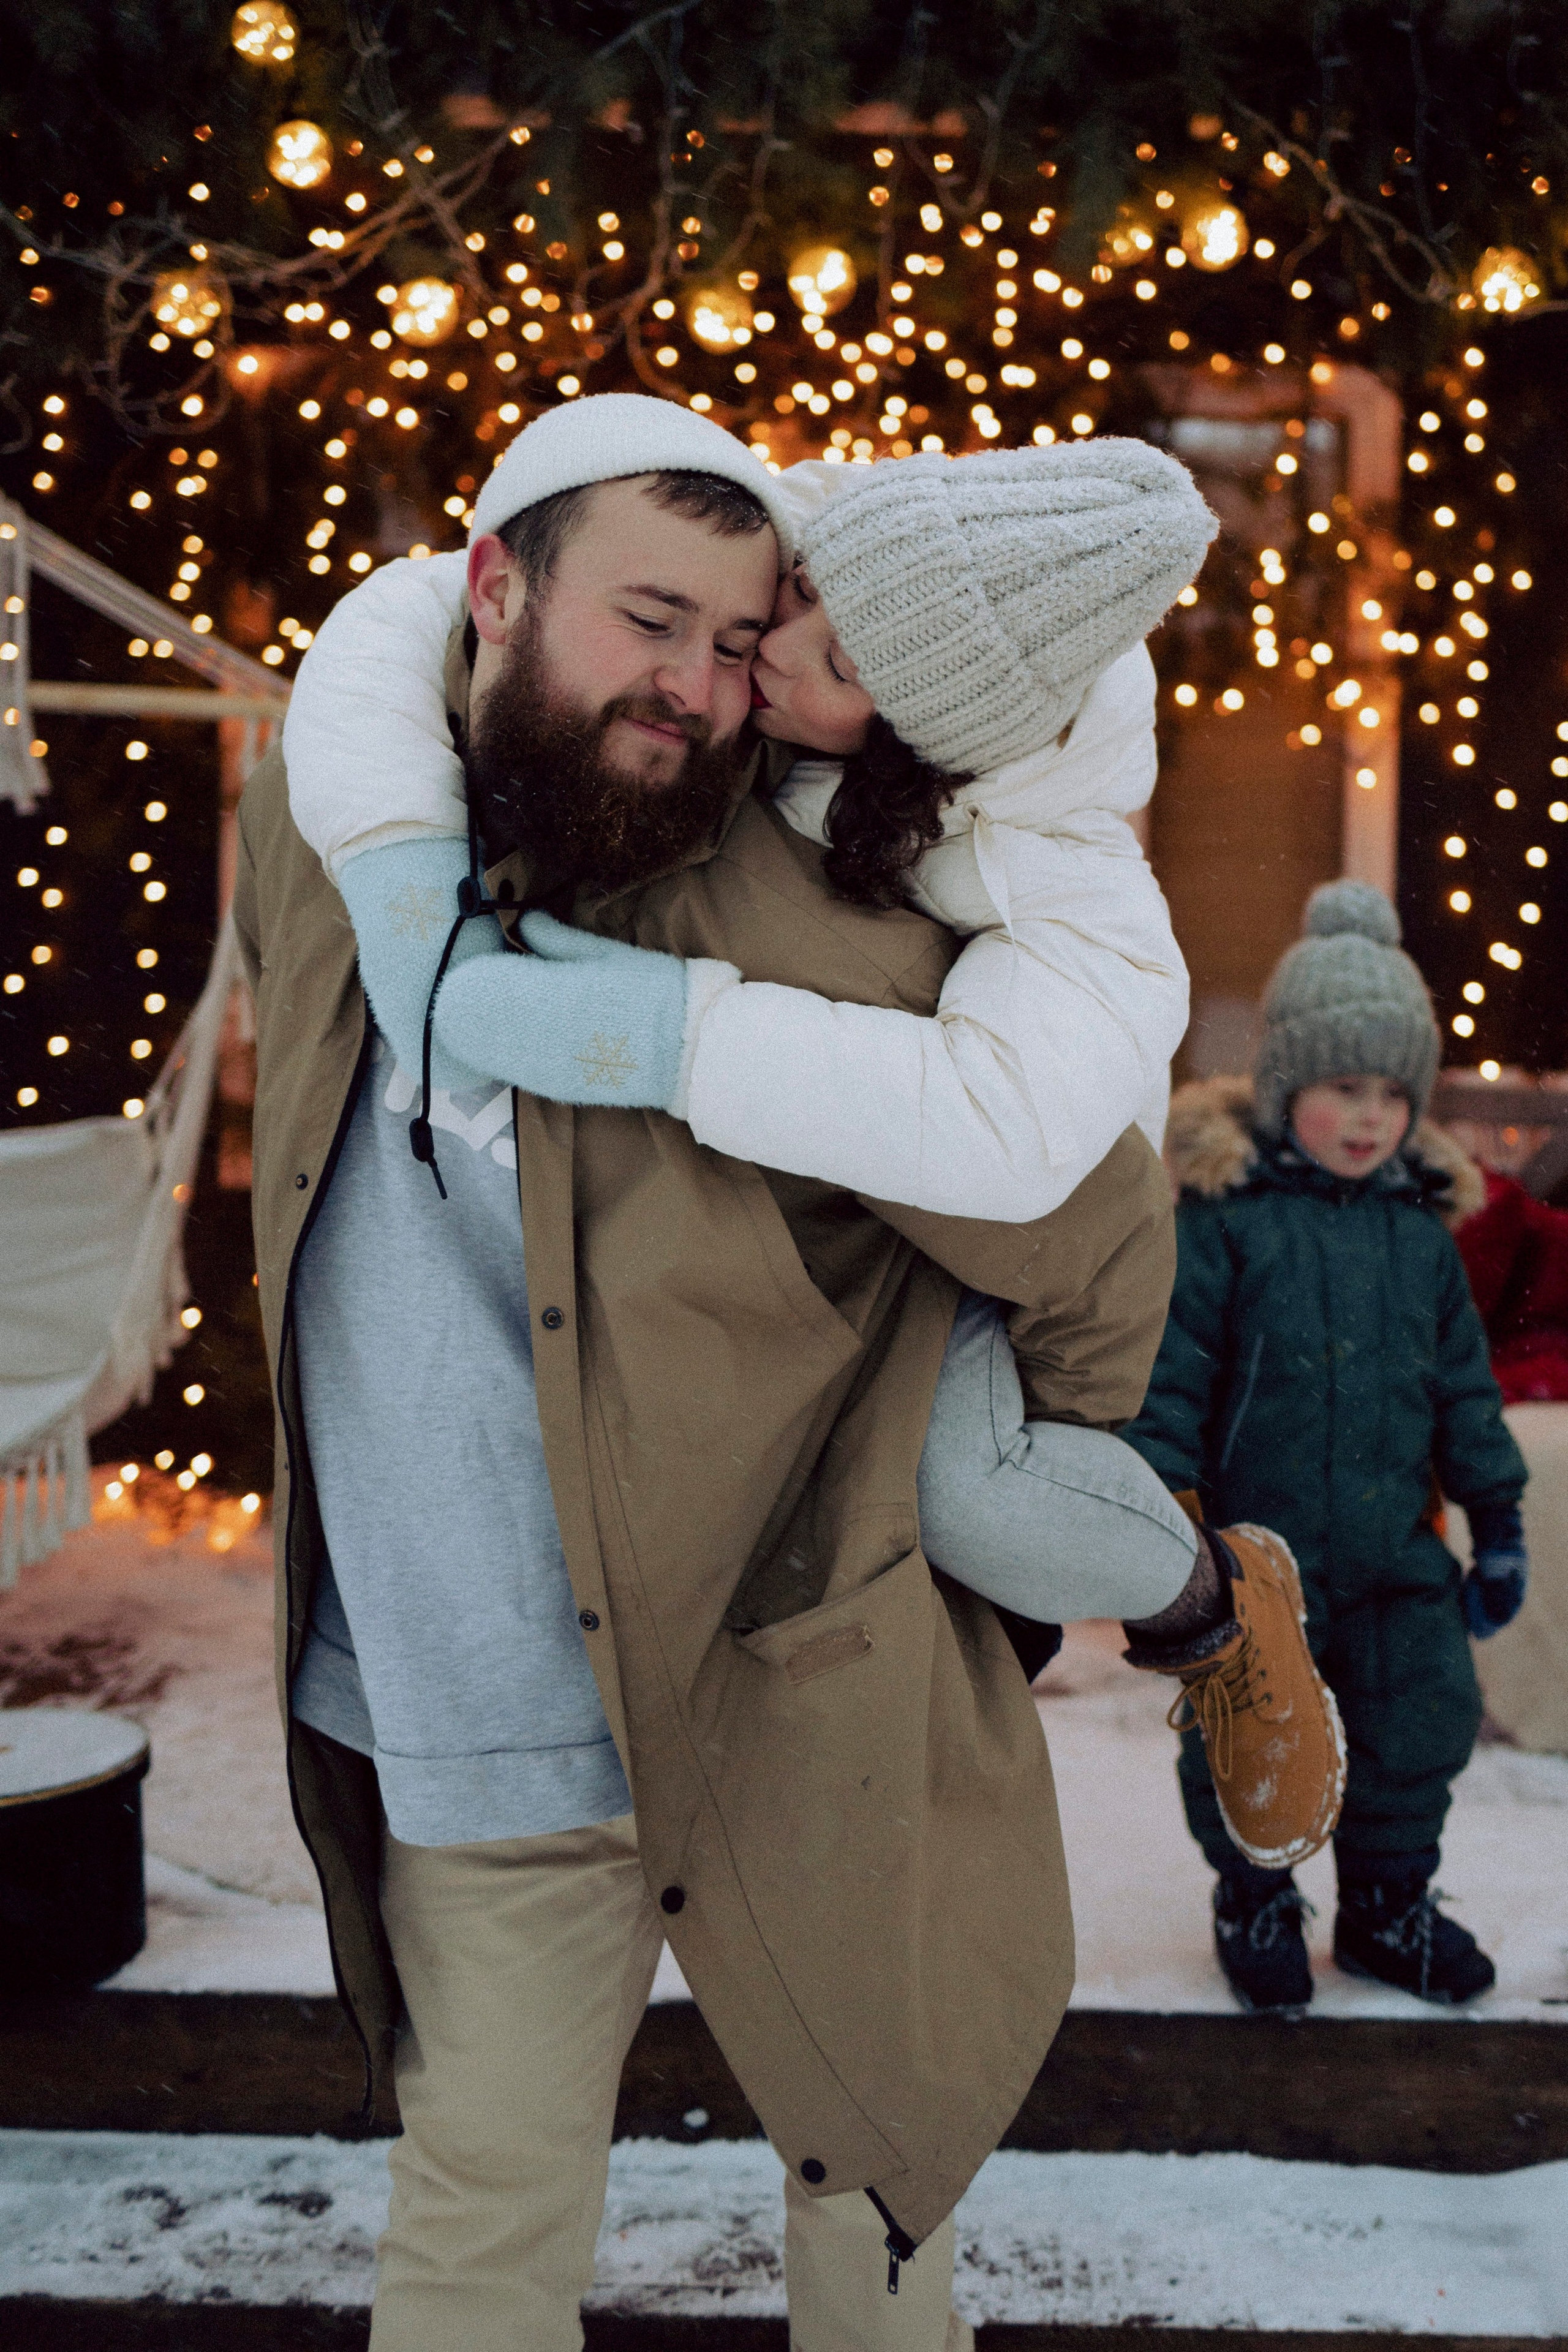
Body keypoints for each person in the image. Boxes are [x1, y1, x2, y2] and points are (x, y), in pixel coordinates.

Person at [233, 398, 1327, 2352]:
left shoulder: (827, 898)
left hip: (792, 1663)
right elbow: (369, 648)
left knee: (879, 2198)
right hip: (469, 1685)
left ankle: (1202, 1603)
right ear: (496, 588)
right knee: (481, 2224)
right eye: (652, 618)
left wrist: (1011, 1450)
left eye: (741, 641)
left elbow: (1079, 1205)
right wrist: (414, 884)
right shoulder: (329, 833)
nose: (702, 686)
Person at [1126, 881, 1530, 2016]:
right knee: (1251, 1731)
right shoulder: (1226, 1223)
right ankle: (1256, 1897)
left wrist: (1495, 1522)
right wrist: (1167, 1524)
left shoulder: (1422, 1238)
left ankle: (1387, 1908)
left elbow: (1465, 1391)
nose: (1369, 1118)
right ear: (1287, 1085)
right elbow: (1172, 1377)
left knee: (1418, 1722)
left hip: (1398, 1556)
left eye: (1393, 1094)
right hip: (1256, 1566)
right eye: (1343, 1089)